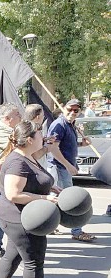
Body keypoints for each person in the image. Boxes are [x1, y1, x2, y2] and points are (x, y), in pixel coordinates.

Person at [0, 121, 64, 278]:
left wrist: (52, 187)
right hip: (21, 220)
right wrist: (44, 198)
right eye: (40, 135)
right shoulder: (17, 162)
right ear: (29, 140)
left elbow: (35, 178)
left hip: (19, 217)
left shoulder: (27, 156)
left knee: (12, 256)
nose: (43, 137)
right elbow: (13, 194)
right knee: (34, 261)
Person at [47, 99, 96, 242]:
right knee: (72, 201)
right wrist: (68, 165)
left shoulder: (71, 124)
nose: (72, 113)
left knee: (56, 198)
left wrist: (82, 143)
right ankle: (76, 231)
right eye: (70, 109)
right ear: (63, 108)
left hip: (64, 166)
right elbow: (53, 148)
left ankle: (50, 224)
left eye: (76, 110)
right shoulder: (59, 125)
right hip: (59, 167)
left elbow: (66, 145)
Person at [0, 103, 22, 257]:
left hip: (6, 177)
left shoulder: (11, 131)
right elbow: (18, 148)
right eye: (17, 114)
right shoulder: (1, 132)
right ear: (7, 118)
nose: (20, 117)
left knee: (5, 212)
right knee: (6, 212)